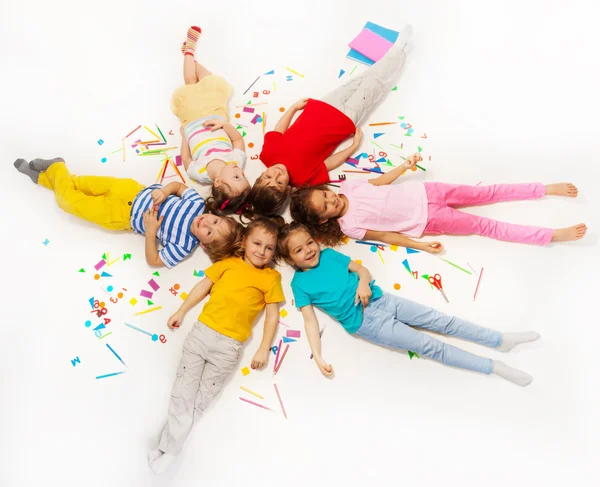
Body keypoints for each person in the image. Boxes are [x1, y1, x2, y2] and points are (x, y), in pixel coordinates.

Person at [278, 222, 540, 386]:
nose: (308, 250)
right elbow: (309, 321)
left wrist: (363, 283)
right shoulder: (299, 285)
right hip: (365, 323)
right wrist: (319, 356)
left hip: (382, 299)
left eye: (309, 242)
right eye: (298, 250)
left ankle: (499, 340)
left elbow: (361, 270)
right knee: (431, 347)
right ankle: (494, 368)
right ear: (291, 260)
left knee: (442, 321)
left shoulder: (329, 255)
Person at [148, 217, 285, 474]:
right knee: (182, 392)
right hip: (201, 333)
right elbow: (202, 287)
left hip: (229, 347)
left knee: (200, 401)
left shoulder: (271, 278)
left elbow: (272, 316)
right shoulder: (227, 264)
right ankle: (170, 447)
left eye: (269, 248)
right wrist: (181, 311)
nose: (262, 251)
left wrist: (263, 348)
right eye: (257, 243)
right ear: (244, 242)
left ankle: (167, 446)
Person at [242, 25, 414, 218]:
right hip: (345, 120)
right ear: (287, 190)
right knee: (375, 84)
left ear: (259, 176)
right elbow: (329, 163)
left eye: (267, 177)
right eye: (279, 182)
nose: (276, 173)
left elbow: (278, 131)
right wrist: (353, 147)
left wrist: (293, 108)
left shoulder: (267, 154)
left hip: (321, 106)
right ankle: (398, 51)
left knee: (360, 79)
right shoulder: (302, 179)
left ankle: (392, 57)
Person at [290, 152, 587, 250]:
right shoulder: (350, 226)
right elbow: (386, 235)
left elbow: (380, 182)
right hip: (428, 221)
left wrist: (403, 167)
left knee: (487, 192)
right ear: (323, 220)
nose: (332, 200)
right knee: (486, 226)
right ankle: (549, 235)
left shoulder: (350, 187)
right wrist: (419, 244)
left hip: (428, 192)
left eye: (326, 194)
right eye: (326, 206)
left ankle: (544, 188)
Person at [13, 157, 243, 266]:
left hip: (121, 216)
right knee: (78, 183)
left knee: (67, 202)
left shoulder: (183, 246)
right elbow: (178, 187)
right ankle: (45, 177)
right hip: (130, 189)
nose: (207, 223)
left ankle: (53, 169)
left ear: (204, 244)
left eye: (210, 232)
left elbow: (153, 260)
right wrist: (164, 191)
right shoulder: (198, 205)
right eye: (215, 221)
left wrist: (152, 231)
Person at [173, 26, 250, 213]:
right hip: (215, 112)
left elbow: (186, 158)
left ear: (217, 182)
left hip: (192, 119)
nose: (239, 171)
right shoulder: (235, 161)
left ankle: (189, 51)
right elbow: (237, 139)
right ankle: (190, 59)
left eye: (237, 177)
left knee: (190, 81)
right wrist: (224, 125)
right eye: (243, 176)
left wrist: (185, 137)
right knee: (209, 80)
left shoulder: (199, 173)